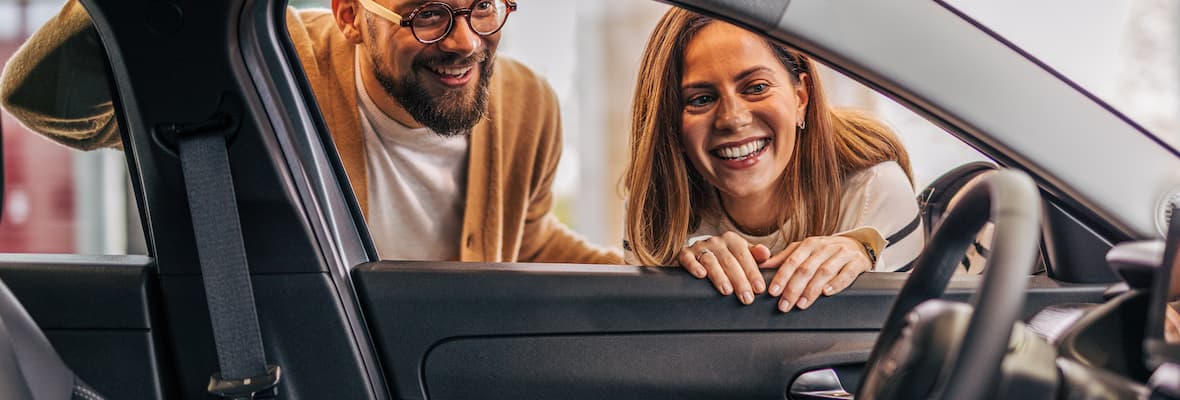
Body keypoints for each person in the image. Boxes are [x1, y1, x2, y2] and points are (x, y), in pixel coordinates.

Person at [0, 0, 622, 264]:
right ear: (349, 15)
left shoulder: (528, 104)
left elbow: (527, 240)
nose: (465, 42)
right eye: (428, 14)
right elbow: (40, 99)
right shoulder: (262, 65)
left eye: (483, 5)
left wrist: (651, 278)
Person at [623, 9, 923, 312]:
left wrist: (861, 252)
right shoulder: (657, 206)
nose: (733, 119)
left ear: (801, 97)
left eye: (757, 88)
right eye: (701, 99)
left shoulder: (874, 189)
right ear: (670, 123)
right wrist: (683, 272)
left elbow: (906, 331)